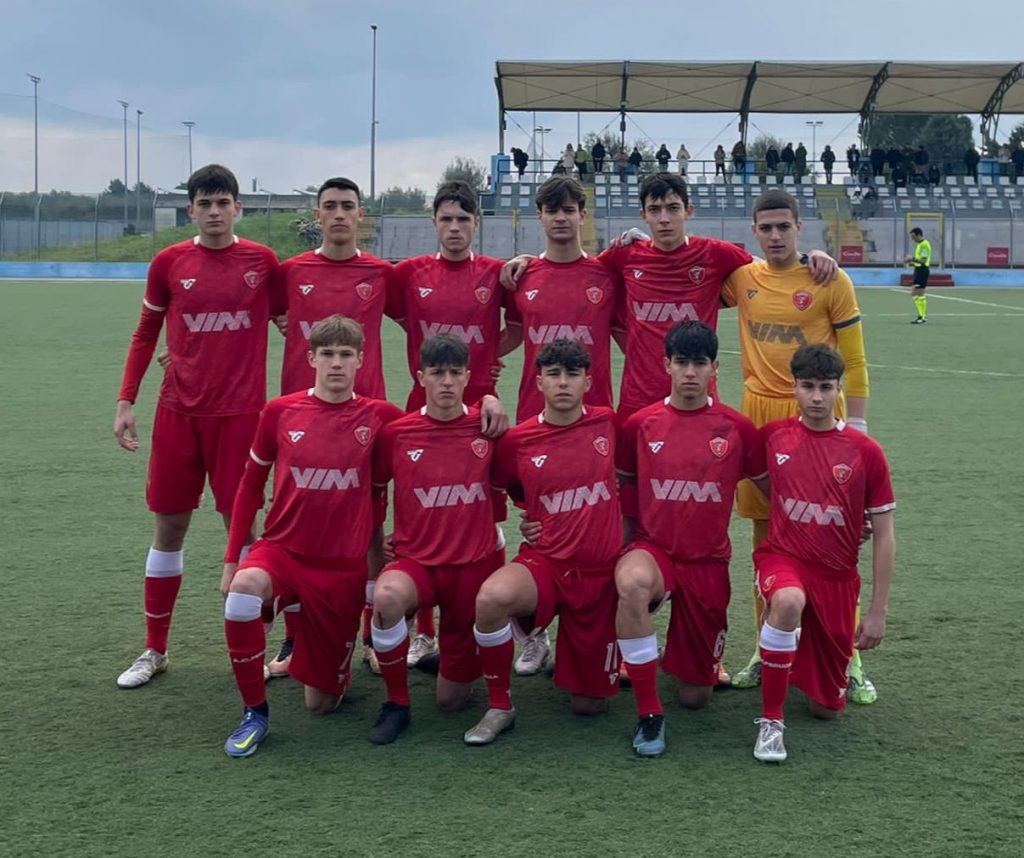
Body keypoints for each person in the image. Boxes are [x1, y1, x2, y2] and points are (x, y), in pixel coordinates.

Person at [113, 164, 280, 689]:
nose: (214, 212)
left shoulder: (262, 262)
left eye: (222, 202)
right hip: (178, 415)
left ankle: (255, 650)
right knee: (169, 527)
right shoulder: (169, 263)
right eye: (204, 203)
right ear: (191, 210)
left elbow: (292, 322)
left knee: (244, 531)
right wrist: (126, 400)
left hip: (241, 418)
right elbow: (146, 334)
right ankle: (155, 649)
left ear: (238, 209)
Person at [219, 315, 404, 757]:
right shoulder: (279, 412)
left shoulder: (382, 416)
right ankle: (254, 713)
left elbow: (433, 441)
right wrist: (232, 559)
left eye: (345, 354)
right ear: (311, 359)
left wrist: (487, 403)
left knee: (320, 705)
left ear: (360, 360)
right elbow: (250, 484)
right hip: (282, 551)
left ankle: (317, 648)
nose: (336, 363)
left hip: (340, 570)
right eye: (328, 354)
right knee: (243, 591)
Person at [721, 190, 874, 705]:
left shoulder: (830, 279)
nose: (775, 236)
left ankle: (847, 658)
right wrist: (635, 240)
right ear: (754, 232)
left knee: (834, 544)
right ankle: (764, 649)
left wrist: (857, 428)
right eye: (766, 228)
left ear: (799, 227)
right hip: (759, 419)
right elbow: (682, 275)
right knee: (765, 541)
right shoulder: (742, 279)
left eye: (784, 226)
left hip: (815, 417)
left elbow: (855, 361)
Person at [615, 321, 767, 757]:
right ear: (666, 364)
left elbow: (778, 491)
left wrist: (844, 521)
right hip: (654, 551)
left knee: (695, 697)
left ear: (714, 368)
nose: (689, 373)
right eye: (681, 362)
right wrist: (620, 551)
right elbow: (622, 494)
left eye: (699, 363)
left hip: (707, 562)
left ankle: (671, 654)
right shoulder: (640, 425)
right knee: (632, 583)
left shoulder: (737, 429)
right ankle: (649, 713)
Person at [465, 339, 622, 745]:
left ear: (588, 382)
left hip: (599, 575)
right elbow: (503, 485)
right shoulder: (518, 440)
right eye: (554, 374)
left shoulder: (609, 423)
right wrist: (531, 514)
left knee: (587, 706)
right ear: (539, 382)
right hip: (547, 563)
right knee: (491, 598)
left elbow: (636, 476)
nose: (563, 383)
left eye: (572, 374)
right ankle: (500, 705)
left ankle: (584, 651)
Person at [270, 176, 398, 676]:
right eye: (330, 206)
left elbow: (435, 315)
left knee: (371, 527)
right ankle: (294, 638)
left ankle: (372, 633)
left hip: (367, 420)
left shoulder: (383, 273)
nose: (340, 214)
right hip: (299, 420)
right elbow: (244, 312)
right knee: (297, 523)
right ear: (317, 215)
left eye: (348, 206)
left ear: (361, 214)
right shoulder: (290, 272)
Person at [752, 344, 895, 763]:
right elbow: (749, 475)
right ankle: (771, 722)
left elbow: (885, 534)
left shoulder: (865, 451)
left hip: (836, 578)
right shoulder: (772, 437)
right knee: (787, 601)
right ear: (793, 387)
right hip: (783, 559)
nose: (816, 397)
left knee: (826, 710)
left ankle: (790, 648)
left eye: (826, 387)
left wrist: (877, 612)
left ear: (839, 390)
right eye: (808, 386)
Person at [366, 335, 508, 744]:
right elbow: (373, 492)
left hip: (472, 567)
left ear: (467, 377)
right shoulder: (397, 434)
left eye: (454, 373)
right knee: (387, 597)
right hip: (417, 564)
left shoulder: (488, 429)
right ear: (420, 377)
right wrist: (377, 547)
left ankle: (452, 658)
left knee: (451, 701)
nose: (446, 382)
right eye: (437, 373)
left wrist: (535, 524)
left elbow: (525, 483)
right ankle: (396, 702)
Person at [502, 175, 623, 423]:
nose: (560, 218)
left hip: (593, 413)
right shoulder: (521, 277)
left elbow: (631, 343)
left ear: (582, 215)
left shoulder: (608, 276)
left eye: (568, 210)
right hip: (534, 413)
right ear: (540, 216)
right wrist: (476, 362)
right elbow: (511, 335)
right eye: (551, 211)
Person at [904, 227, 931, 324]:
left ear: (918, 235)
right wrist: (912, 262)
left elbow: (923, 260)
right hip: (918, 270)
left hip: (922, 270)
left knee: (919, 293)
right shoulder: (920, 244)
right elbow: (919, 260)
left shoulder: (924, 244)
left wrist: (912, 258)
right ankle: (921, 315)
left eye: (913, 236)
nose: (912, 239)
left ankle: (922, 316)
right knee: (914, 293)